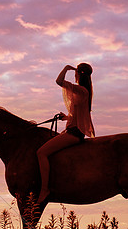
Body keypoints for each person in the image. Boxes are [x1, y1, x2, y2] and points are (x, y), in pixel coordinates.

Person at [36, 63, 95, 205]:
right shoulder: (85, 92)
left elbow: (59, 81)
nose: (74, 76)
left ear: (78, 74)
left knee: (41, 153)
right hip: (73, 129)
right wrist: (67, 117)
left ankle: (44, 190)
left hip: (74, 133)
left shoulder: (81, 90)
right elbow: (80, 114)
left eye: (76, 73)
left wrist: (66, 68)